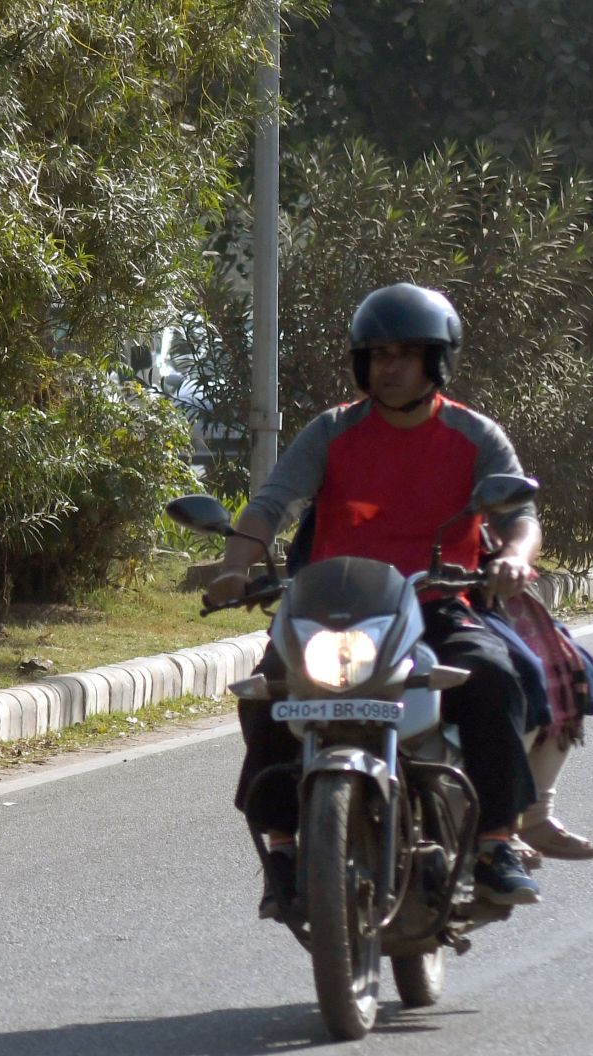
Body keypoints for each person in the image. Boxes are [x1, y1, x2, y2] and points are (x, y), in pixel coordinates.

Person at [206, 283, 544, 915]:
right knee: (268, 694)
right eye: (377, 354)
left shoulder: (474, 434)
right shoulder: (333, 431)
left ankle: (497, 840)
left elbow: (520, 514)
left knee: (494, 677)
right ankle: (284, 845)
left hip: (436, 603)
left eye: (405, 355)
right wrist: (233, 568)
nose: (388, 368)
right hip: (335, 608)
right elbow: (271, 504)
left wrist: (514, 558)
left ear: (437, 361)